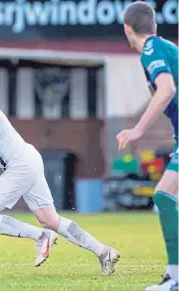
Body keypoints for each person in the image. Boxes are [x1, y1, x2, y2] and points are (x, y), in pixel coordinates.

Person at [0, 94, 120, 274]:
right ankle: (104, 252)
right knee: (50, 219)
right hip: (28, 157)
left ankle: (40, 236)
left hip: (19, 166)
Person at [117, 2, 178, 290]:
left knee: (165, 195)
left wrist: (139, 129)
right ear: (153, 25)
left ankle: (175, 278)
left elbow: (167, 89)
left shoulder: (152, 51)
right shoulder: (164, 47)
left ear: (127, 29)